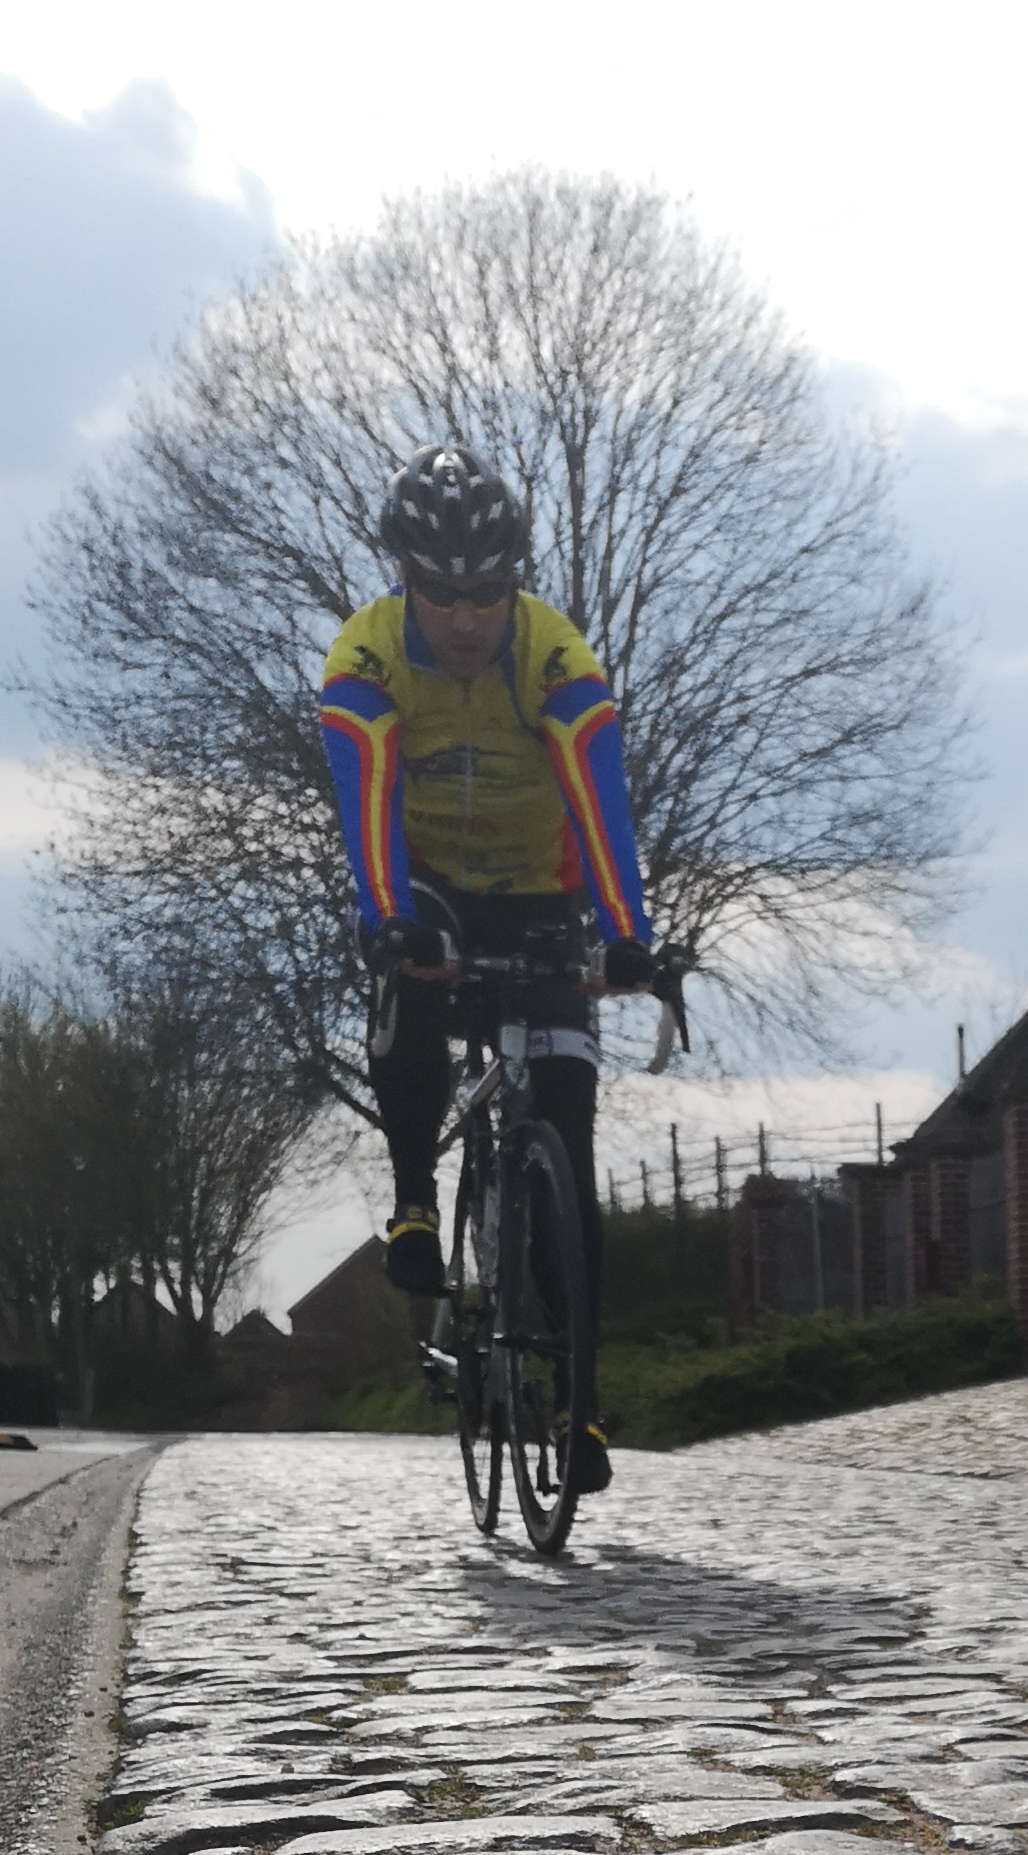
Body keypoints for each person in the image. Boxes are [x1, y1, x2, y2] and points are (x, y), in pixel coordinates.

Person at [317, 443, 657, 1493]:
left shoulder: (555, 656)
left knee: (568, 1135)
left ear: (514, 584)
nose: (466, 619)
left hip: (542, 893)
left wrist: (627, 932)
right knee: (409, 982)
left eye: (487, 594)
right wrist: (388, 921)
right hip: (428, 886)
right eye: (442, 594)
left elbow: (601, 795)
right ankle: (415, 1198)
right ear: (404, 580)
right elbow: (367, 799)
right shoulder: (365, 659)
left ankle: (581, 1400)